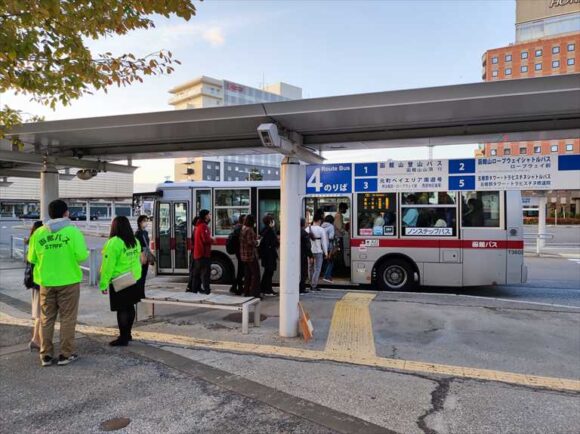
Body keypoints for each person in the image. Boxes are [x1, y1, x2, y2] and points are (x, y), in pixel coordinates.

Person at [27, 200, 89, 366]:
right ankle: (65, 354)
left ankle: (45, 355)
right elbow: (82, 256)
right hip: (69, 281)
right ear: (66, 213)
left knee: (46, 318)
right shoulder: (73, 232)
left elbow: (31, 258)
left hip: (46, 282)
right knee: (68, 318)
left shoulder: (39, 233)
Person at [99, 216, 142, 346]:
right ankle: (128, 334)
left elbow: (108, 266)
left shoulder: (114, 243)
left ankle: (123, 338)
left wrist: (103, 283)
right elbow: (137, 259)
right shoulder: (134, 241)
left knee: (122, 309)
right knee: (130, 307)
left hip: (120, 280)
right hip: (134, 278)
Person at [24, 221, 43, 352]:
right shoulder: (37, 243)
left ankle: (36, 340)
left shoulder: (32, 242)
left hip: (35, 283)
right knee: (42, 315)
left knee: (39, 314)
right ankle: (38, 341)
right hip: (40, 283)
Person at [192, 210, 214, 294]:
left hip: (198, 253)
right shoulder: (203, 226)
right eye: (209, 214)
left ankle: (194, 290)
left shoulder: (198, 226)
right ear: (205, 216)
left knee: (197, 273)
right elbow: (205, 239)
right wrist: (212, 240)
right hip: (203, 254)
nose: (210, 216)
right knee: (205, 273)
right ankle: (207, 291)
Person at [306, 210, 328, 291]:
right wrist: (326, 253)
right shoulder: (321, 230)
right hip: (318, 251)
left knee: (310, 268)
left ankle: (311, 284)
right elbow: (324, 242)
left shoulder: (307, 229)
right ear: (319, 220)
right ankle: (314, 285)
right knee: (317, 268)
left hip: (309, 252)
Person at [240, 214, 260, 297]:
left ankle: (246, 292)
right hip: (251, 255)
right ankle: (254, 293)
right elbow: (250, 242)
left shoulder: (244, 229)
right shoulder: (250, 230)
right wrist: (257, 242)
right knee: (256, 274)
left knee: (247, 274)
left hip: (244, 256)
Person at [259, 214, 279, 296]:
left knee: (267, 272)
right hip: (270, 255)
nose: (274, 222)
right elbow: (274, 243)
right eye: (272, 220)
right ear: (270, 222)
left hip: (265, 254)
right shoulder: (270, 230)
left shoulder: (264, 230)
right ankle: (268, 290)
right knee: (269, 272)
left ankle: (263, 288)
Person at [134, 215, 152, 297]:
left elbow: (147, 245)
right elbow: (137, 246)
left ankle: (142, 293)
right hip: (140, 255)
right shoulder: (137, 233)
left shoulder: (145, 232)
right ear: (140, 222)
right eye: (144, 221)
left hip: (146, 254)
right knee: (140, 275)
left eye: (147, 220)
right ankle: (139, 293)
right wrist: (141, 255)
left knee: (144, 275)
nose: (146, 222)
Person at [228, 214, 245, 295]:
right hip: (240, 251)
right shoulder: (240, 228)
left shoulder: (237, 227)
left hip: (238, 251)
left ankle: (235, 287)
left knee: (241, 270)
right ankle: (237, 288)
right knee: (241, 270)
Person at [186, 216, 200, 292]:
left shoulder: (195, 229)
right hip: (194, 253)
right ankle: (190, 287)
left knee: (194, 271)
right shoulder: (196, 230)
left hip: (194, 252)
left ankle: (192, 287)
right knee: (194, 271)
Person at [299, 218, 313, 294]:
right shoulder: (304, 233)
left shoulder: (295, 232)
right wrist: (310, 256)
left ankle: (298, 287)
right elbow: (308, 246)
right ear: (304, 224)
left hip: (297, 255)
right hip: (303, 255)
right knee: (303, 272)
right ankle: (301, 288)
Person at [321, 214, 335, 283]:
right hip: (328, 246)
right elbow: (331, 238)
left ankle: (327, 275)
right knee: (331, 262)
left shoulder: (321, 226)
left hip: (321, 246)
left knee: (325, 262)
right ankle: (326, 276)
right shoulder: (331, 226)